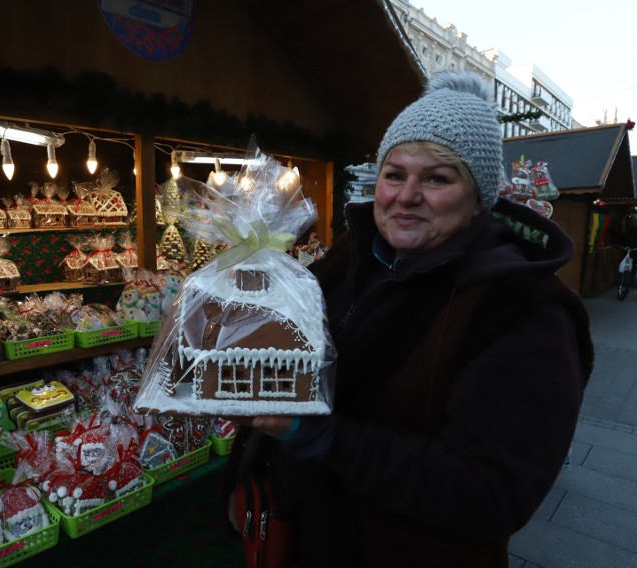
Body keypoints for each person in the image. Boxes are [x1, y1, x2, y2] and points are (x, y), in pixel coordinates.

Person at [226, 70, 594, 567]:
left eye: (437, 178)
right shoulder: (349, 257)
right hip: (304, 535)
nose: (405, 195)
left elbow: (490, 493)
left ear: (478, 197)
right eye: (394, 174)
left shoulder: (522, 309)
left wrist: (317, 433)